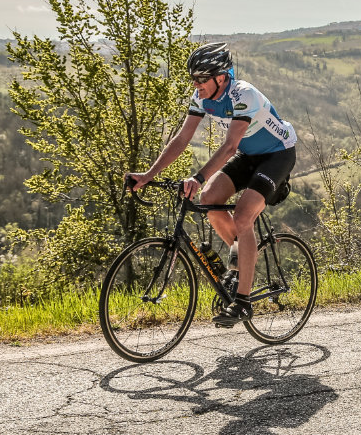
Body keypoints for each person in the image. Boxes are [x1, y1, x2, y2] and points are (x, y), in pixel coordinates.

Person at [127, 42, 297, 326]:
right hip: (250, 155)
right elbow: (181, 140)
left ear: (221, 77)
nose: (197, 84)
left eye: (202, 78)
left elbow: (230, 146)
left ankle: (242, 302)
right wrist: (148, 175)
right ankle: (239, 256)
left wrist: (197, 177)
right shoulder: (201, 97)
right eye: (193, 78)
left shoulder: (244, 94)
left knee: (243, 216)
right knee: (208, 201)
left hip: (277, 155)